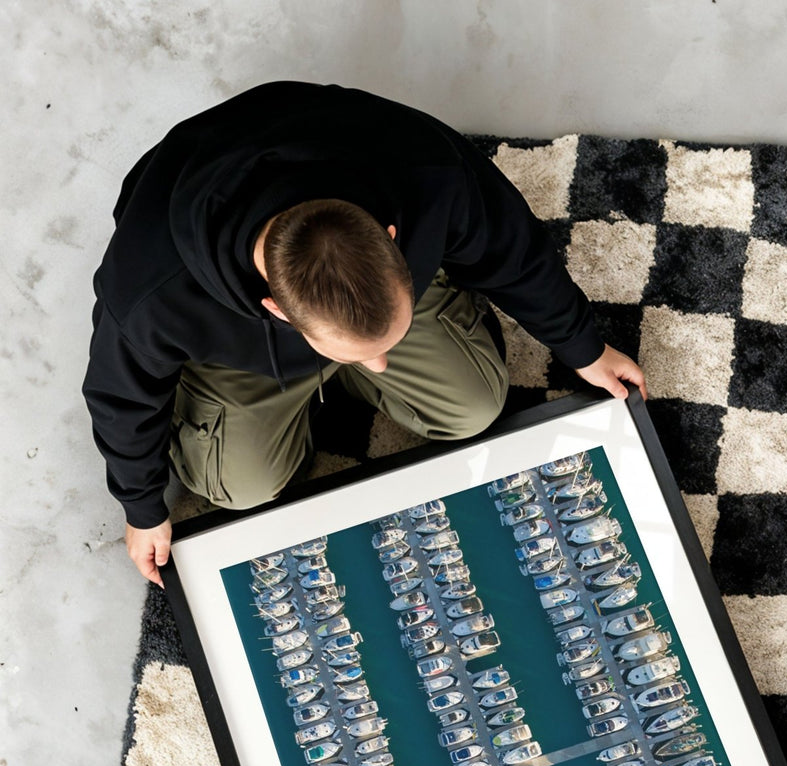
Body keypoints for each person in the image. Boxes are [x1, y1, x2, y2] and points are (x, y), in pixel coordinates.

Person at [83, 82, 647, 586]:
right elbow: (120, 396)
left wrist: (583, 346)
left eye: (384, 345)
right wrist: (141, 507)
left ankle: (374, 331)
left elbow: (514, 252)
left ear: (393, 238)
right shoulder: (151, 294)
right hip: (236, 356)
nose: (379, 365)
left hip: (358, 273)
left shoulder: (428, 169)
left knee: (473, 408)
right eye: (360, 355)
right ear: (278, 311)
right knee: (241, 488)